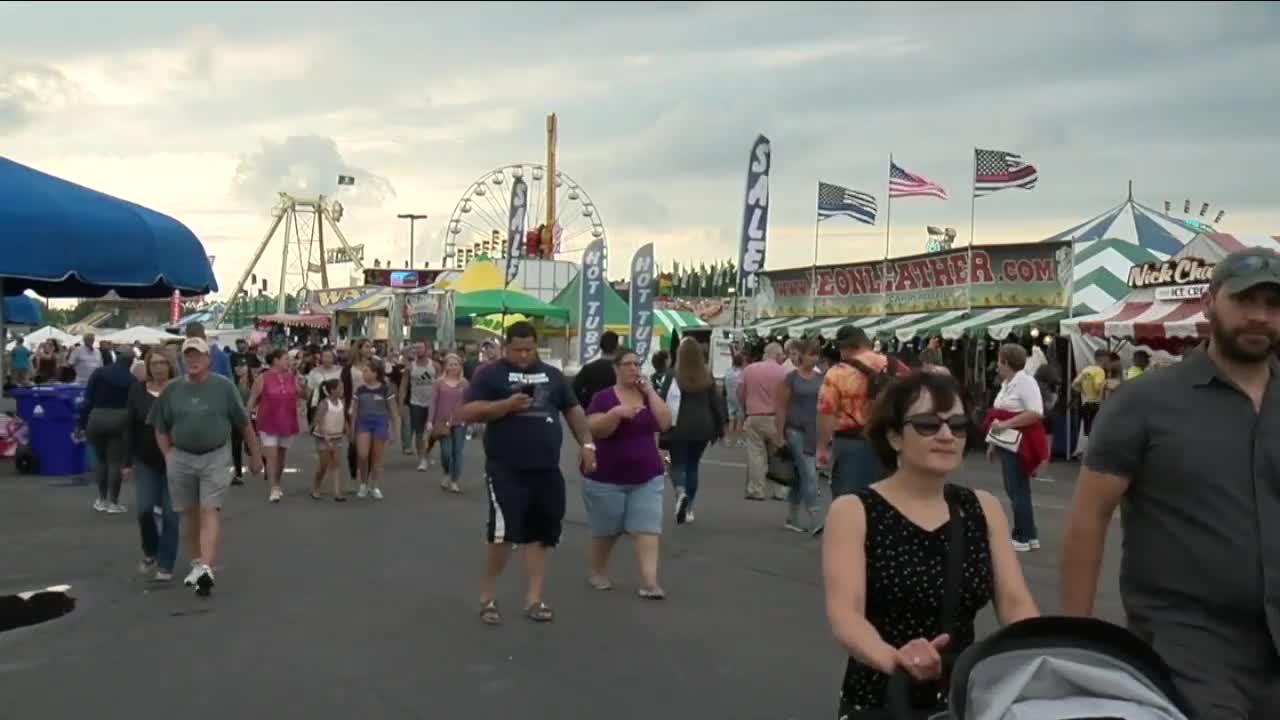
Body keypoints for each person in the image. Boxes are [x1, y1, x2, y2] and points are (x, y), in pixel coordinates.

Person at [1060, 247, 1280, 719]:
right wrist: (1074, 639)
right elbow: (1088, 517)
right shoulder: (1146, 402)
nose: (1260, 317)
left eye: (1273, 305)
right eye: (1245, 302)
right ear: (1209, 302)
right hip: (1190, 644)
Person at [823, 371, 1038, 716]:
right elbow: (846, 615)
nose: (945, 436)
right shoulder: (854, 511)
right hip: (882, 695)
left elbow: (1015, 603)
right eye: (927, 424)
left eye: (957, 425)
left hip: (963, 698)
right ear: (894, 436)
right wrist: (894, 658)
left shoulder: (983, 508)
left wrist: (1042, 652)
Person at [461, 321, 596, 625]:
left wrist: (588, 445)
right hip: (505, 467)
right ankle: (488, 597)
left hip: (545, 469)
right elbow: (468, 411)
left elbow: (573, 410)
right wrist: (505, 405)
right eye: (517, 349)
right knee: (503, 533)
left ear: (536, 346)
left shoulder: (552, 375)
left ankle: (534, 599)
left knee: (541, 534)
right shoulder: (491, 374)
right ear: (506, 347)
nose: (523, 355)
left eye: (528, 349)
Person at [149, 337, 263, 596]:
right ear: (182, 359)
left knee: (209, 509)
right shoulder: (172, 389)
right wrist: (169, 457)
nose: (193, 360)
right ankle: (197, 562)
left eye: (198, 355)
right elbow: (160, 427)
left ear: (208, 359)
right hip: (181, 456)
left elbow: (244, 423)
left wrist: (255, 456)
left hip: (216, 456)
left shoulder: (223, 387)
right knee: (189, 514)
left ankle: (206, 566)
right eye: (188, 355)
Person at [583, 347, 673, 597]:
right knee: (607, 530)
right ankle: (598, 571)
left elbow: (665, 422)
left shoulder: (646, 396)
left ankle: (649, 582)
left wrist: (651, 392)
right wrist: (615, 414)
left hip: (647, 474)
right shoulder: (604, 397)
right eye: (628, 364)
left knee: (647, 528)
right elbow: (595, 429)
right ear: (616, 369)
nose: (634, 368)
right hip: (607, 476)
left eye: (637, 364)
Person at [982, 344, 1047, 552]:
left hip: (1019, 442)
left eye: (999, 361)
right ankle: (1030, 534)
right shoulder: (1006, 383)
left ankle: (1021, 535)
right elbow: (1000, 412)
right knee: (1017, 490)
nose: (997, 365)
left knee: (1017, 490)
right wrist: (992, 444)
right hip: (1007, 442)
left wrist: (1005, 425)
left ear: (1006, 362)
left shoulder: (1025, 382)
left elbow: (1036, 412)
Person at [122, 350, 180, 582]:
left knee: (170, 515)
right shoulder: (137, 390)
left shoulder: (179, 389)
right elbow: (129, 426)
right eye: (153, 364)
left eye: (162, 363)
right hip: (145, 460)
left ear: (170, 365)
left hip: (176, 461)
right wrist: (126, 462)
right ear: (147, 367)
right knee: (145, 509)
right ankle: (150, 551)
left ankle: (166, 565)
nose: (158, 368)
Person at [817, 326, 889, 499]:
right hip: (889, 442)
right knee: (886, 500)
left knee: (849, 500)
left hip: (852, 442)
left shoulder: (838, 373)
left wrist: (822, 447)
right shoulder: (892, 365)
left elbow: (826, 411)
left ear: (846, 347)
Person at [665, 337, 724, 525]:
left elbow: (662, 399)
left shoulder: (673, 375)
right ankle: (689, 508)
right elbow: (716, 404)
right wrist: (720, 427)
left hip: (679, 426)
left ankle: (680, 492)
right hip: (703, 427)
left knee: (678, 464)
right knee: (693, 465)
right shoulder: (707, 376)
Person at [774, 338, 823, 533]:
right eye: (811, 354)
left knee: (799, 476)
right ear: (801, 355)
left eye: (817, 354)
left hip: (814, 430)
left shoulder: (822, 379)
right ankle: (815, 515)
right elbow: (781, 406)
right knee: (809, 472)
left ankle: (792, 518)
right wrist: (779, 434)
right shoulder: (791, 378)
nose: (815, 358)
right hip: (795, 430)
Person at [81, 349, 136, 514]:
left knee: (100, 460)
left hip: (97, 417)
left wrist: (81, 423)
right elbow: (133, 405)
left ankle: (101, 499)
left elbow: (87, 399)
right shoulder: (132, 380)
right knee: (115, 462)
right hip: (120, 419)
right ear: (131, 362)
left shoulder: (99, 373)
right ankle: (114, 503)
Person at [248, 348, 301, 503]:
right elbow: (252, 400)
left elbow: (302, 394)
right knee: (272, 456)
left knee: (282, 456)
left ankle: (277, 482)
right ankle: (273, 488)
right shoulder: (263, 378)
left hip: (287, 421)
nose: (289, 362)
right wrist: (247, 419)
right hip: (268, 422)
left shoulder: (292, 377)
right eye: (286, 358)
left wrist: (301, 385)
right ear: (276, 360)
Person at [739, 342, 789, 500]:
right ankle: (780, 491)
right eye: (782, 355)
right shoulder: (784, 372)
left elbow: (740, 392)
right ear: (777, 355)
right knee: (779, 455)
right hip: (776, 417)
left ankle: (756, 489)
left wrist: (746, 407)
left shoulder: (750, 369)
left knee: (756, 455)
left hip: (754, 416)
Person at [351, 359, 399, 500]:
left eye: (366, 371)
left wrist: (394, 431)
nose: (363, 374)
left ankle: (375, 485)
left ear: (375, 373)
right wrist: (352, 429)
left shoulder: (385, 389)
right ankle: (363, 484)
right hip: (363, 422)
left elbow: (394, 412)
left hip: (380, 422)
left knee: (377, 457)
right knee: (363, 454)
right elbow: (354, 411)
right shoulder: (360, 390)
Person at [431, 353, 469, 494]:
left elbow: (468, 402)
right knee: (446, 452)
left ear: (460, 366)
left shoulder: (464, 383)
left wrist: (468, 418)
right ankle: (446, 472)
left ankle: (454, 481)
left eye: (455, 364)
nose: (453, 367)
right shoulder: (438, 383)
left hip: (460, 422)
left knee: (457, 452)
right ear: (445, 366)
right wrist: (430, 421)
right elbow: (433, 402)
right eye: (450, 364)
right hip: (443, 422)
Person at [401, 341, 438, 472]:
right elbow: (404, 386)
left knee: (432, 432)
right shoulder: (410, 367)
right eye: (415, 348)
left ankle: (427, 453)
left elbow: (441, 383)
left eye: (420, 347)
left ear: (426, 349)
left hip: (432, 403)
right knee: (419, 432)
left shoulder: (434, 366)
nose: (418, 350)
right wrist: (401, 403)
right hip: (416, 403)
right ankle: (422, 459)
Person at [311, 378, 347, 501]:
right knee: (324, 465)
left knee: (336, 463)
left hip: (337, 436)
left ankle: (337, 492)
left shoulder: (342, 402)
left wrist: (347, 430)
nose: (342, 390)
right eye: (340, 388)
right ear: (332, 390)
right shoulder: (324, 403)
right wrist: (325, 436)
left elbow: (343, 418)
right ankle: (317, 486)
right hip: (323, 437)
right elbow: (319, 421)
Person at [572, 330, 619, 408]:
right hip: (617, 410)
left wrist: (586, 402)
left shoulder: (588, 368)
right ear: (617, 347)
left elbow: (574, 389)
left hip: (593, 410)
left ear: (601, 346)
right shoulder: (621, 369)